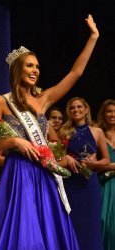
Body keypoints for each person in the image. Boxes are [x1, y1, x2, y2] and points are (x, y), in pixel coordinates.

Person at [0, 14, 99, 250]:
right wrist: (15, 141)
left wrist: (93, 37)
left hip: (43, 174)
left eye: (37, 67)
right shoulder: (2, 102)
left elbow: (75, 74)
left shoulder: (43, 99)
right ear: (17, 69)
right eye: (30, 65)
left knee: (46, 229)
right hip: (18, 172)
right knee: (23, 231)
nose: (35, 70)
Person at [60, 97, 109, 250]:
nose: (76, 110)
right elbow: (57, 158)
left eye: (79, 107)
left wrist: (94, 163)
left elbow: (106, 160)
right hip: (70, 184)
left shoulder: (97, 132)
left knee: (92, 226)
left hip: (89, 185)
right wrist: (66, 158)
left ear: (86, 110)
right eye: (72, 108)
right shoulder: (64, 131)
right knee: (72, 224)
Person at [97, 99, 115, 250]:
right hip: (104, 185)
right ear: (103, 114)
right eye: (109, 111)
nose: (113, 114)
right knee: (103, 223)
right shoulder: (97, 133)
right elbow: (92, 165)